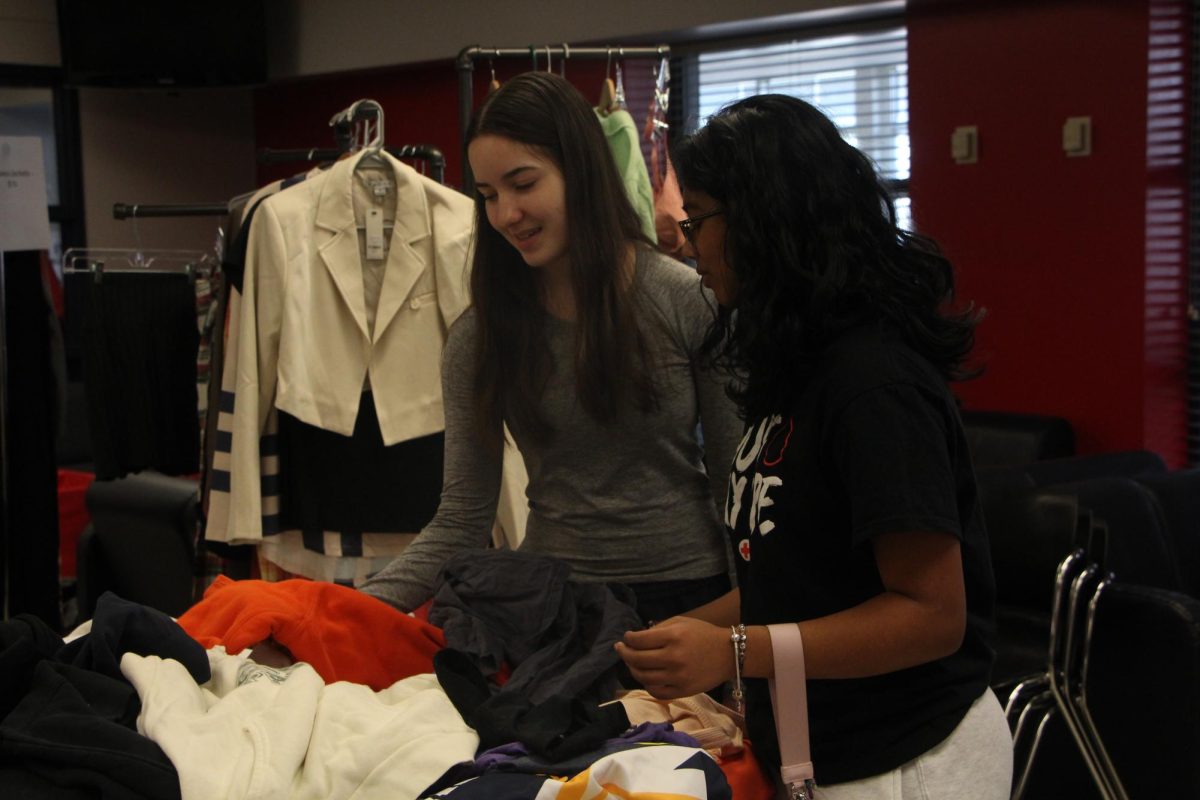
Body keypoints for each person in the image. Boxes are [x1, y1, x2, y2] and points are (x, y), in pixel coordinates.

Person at [615, 95, 1013, 799]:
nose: (683, 237)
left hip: (910, 760)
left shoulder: (874, 383)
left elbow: (931, 616)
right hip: (827, 752)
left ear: (765, 223)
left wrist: (731, 652)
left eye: (700, 217)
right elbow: (801, 580)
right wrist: (676, 635)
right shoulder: (799, 367)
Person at [359, 72, 740, 625]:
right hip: (554, 608)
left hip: (692, 605)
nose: (505, 214)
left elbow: (738, 492)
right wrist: (347, 608)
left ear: (579, 172)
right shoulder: (481, 335)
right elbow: (462, 517)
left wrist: (744, 639)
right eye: (488, 195)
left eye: (523, 183)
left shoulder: (686, 300)